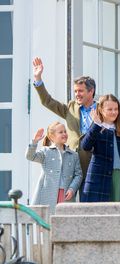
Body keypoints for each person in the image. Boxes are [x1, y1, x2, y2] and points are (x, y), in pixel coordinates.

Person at [32, 57, 96, 200]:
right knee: (67, 205)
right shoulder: (70, 107)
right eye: (75, 91)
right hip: (71, 163)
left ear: (91, 91)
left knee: (90, 205)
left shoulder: (102, 109)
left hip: (94, 162)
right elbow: (47, 101)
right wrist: (38, 79)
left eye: (80, 91)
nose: (77, 94)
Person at [81, 94, 120, 202]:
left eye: (116, 109)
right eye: (110, 109)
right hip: (99, 178)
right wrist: (96, 124)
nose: (114, 112)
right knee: (99, 214)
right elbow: (85, 146)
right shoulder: (96, 128)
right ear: (101, 110)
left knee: (119, 214)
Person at [26, 122, 82, 214]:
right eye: (61, 132)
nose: (64, 134)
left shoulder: (74, 155)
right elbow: (30, 156)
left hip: (65, 194)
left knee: (63, 220)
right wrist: (34, 142)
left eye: (65, 131)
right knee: (47, 220)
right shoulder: (45, 152)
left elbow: (78, 175)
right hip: (48, 194)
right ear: (52, 136)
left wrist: (72, 189)